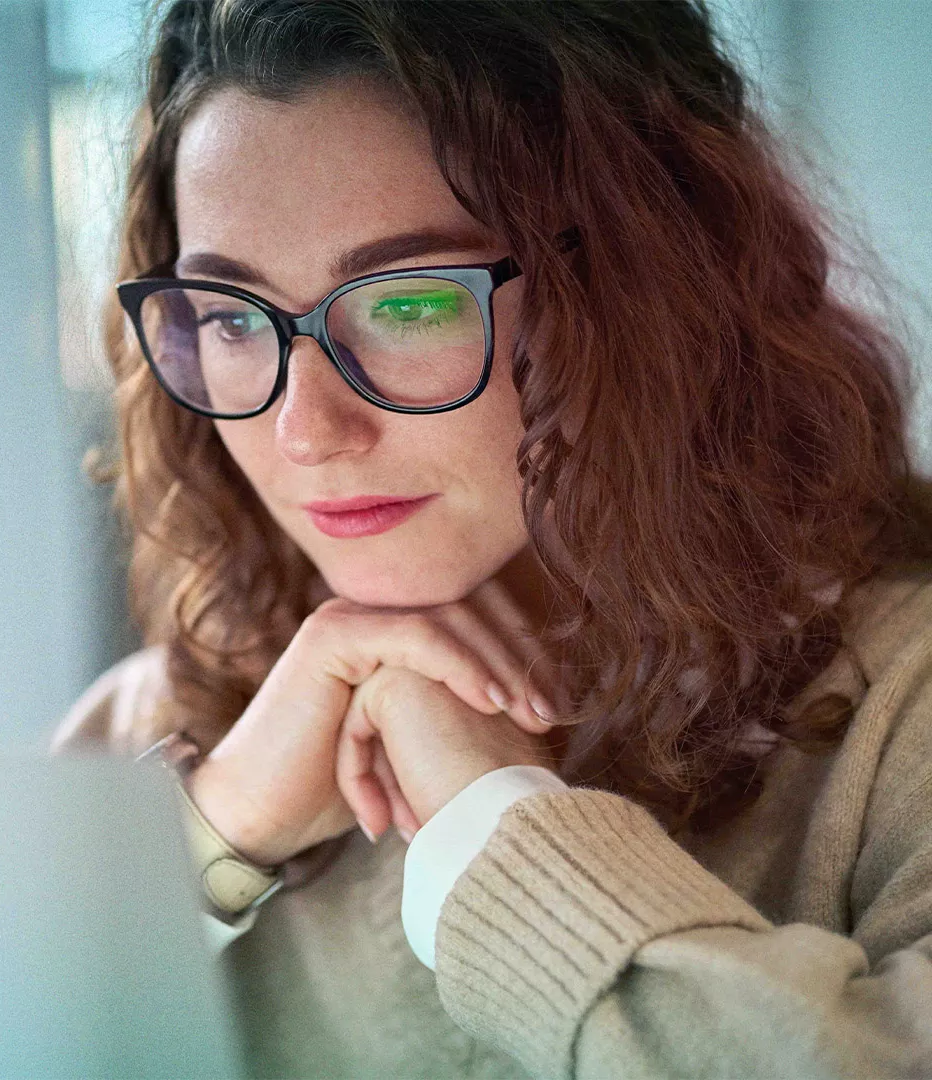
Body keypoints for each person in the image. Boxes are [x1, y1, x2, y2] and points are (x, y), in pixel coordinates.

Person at [51, 1, 932, 1075]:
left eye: (412, 304)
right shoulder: (159, 723)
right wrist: (212, 842)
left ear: (651, 289)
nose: (305, 431)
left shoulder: (904, 711)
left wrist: (495, 832)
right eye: (234, 318)